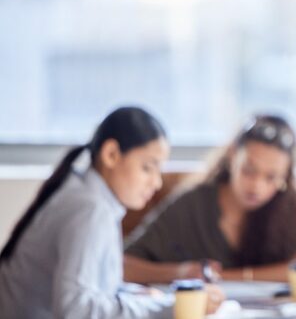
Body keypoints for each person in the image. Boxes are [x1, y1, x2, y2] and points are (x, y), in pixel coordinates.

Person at [0, 106, 223, 318]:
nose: (156, 182)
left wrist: (140, 297)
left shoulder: (91, 198)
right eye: (147, 167)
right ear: (111, 155)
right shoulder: (89, 209)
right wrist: (169, 308)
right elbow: (75, 310)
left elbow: (95, 290)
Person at [124, 114, 296, 283]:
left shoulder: (285, 205)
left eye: (271, 177)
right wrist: (180, 273)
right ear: (233, 155)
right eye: (249, 171)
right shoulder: (193, 206)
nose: (257, 187)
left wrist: (223, 277)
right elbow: (123, 265)